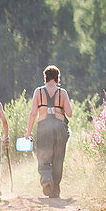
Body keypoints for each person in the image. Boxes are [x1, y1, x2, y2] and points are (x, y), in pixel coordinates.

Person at [25, 65, 72, 198]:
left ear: (45, 77)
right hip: (59, 126)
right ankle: (56, 189)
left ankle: (46, 179)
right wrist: (60, 109)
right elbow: (70, 113)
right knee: (58, 158)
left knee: (44, 155)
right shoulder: (62, 92)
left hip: (44, 126)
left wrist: (28, 132)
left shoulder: (38, 92)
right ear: (57, 78)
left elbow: (33, 113)